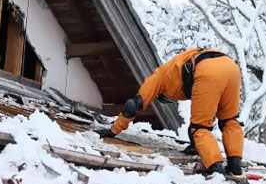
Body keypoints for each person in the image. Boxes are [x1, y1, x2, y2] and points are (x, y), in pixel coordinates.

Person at [95, 48, 245, 176]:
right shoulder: (175, 68)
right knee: (229, 121)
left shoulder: (159, 78)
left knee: (199, 127)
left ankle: (215, 169)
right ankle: (235, 165)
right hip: (230, 67)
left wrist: (114, 130)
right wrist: (195, 146)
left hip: (207, 70)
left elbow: (133, 105)